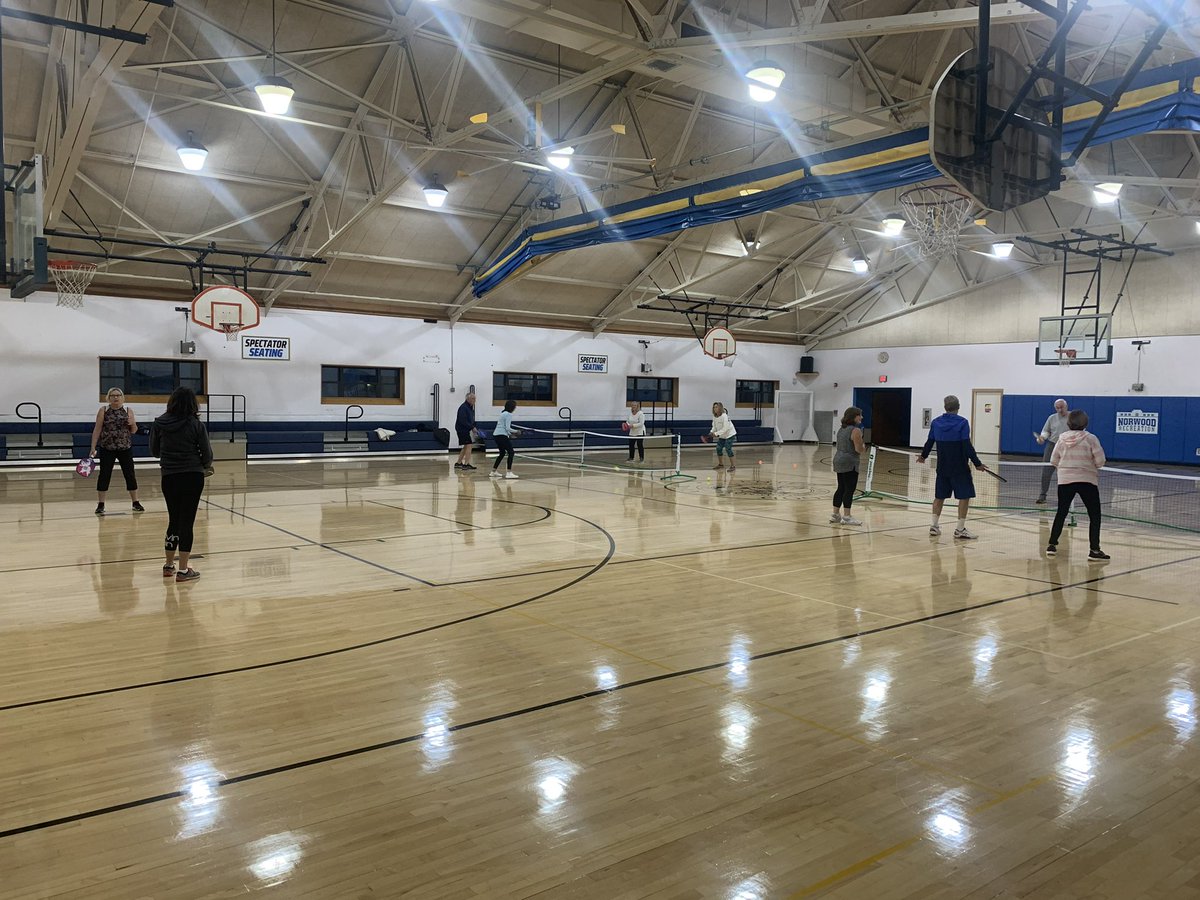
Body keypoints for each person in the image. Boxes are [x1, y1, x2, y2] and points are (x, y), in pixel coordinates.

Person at [150, 387, 213, 582]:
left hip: (169, 475)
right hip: (192, 476)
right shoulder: (196, 424)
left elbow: (154, 451)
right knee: (187, 522)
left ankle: (169, 565)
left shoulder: (159, 424)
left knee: (174, 520)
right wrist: (204, 466)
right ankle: (184, 570)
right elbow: (207, 453)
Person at [918, 394, 985, 539]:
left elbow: (930, 442)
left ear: (945, 407)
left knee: (939, 497)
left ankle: (934, 526)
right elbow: (967, 446)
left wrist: (923, 456)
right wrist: (977, 463)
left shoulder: (936, 423)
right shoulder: (962, 423)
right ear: (958, 407)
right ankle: (960, 529)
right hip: (960, 467)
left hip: (942, 467)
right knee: (964, 497)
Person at [1046, 409, 1109, 561]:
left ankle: (1052, 545)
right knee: (1094, 516)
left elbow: (1053, 461)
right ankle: (1094, 550)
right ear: (1085, 423)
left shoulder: (1061, 439)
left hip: (1065, 480)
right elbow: (1100, 461)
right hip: (1087, 480)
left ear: (1069, 423)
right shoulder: (1091, 438)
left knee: (1061, 512)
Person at [90, 387, 143, 515]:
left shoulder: (128, 410)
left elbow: (134, 430)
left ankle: (135, 502)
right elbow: (97, 429)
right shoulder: (103, 410)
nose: (116, 397)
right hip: (107, 447)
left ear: (122, 397)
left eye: (118, 395)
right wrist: (93, 447)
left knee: (130, 474)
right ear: (108, 397)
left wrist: (133, 423)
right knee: (104, 475)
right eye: (113, 395)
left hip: (125, 447)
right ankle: (101, 503)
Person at [831, 407, 866, 526]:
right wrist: (864, 447)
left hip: (838, 459)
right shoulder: (856, 430)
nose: (861, 417)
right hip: (849, 461)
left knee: (841, 487)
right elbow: (858, 449)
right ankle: (847, 516)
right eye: (860, 415)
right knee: (849, 489)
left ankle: (835, 515)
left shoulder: (842, 429)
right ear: (854, 416)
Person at [1036, 398, 1070, 504]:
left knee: (1066, 473)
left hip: (1067, 447)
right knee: (1046, 471)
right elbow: (1046, 431)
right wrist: (1042, 438)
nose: (1059, 410)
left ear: (1066, 406)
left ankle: (1065, 497)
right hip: (1052, 445)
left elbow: (1081, 430)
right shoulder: (1051, 418)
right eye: (1057, 408)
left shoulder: (1073, 417)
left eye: (1061, 407)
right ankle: (1042, 495)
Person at [490, 399, 520, 480]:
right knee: (511, 452)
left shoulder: (503, 413)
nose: (515, 408)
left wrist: (510, 434)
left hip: (496, 435)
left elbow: (503, 427)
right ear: (512, 407)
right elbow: (507, 428)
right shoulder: (509, 414)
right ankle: (509, 472)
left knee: (502, 453)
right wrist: (517, 431)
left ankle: (493, 471)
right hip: (501, 435)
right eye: (515, 407)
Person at [709, 402, 737, 472]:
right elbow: (714, 426)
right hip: (722, 435)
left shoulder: (725, 416)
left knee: (728, 448)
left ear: (720, 408)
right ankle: (721, 464)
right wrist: (712, 431)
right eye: (714, 407)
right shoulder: (714, 417)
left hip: (730, 435)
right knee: (718, 448)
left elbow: (725, 428)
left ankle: (733, 466)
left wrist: (716, 434)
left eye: (716, 407)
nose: (715, 408)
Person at [454, 391, 477, 471]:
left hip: (464, 429)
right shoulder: (463, 407)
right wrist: (472, 427)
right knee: (469, 445)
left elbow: (469, 420)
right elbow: (462, 420)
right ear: (468, 399)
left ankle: (458, 463)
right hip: (462, 429)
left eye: (475, 398)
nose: (474, 400)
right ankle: (466, 464)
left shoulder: (469, 407)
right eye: (473, 398)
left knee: (466, 446)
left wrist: (473, 426)